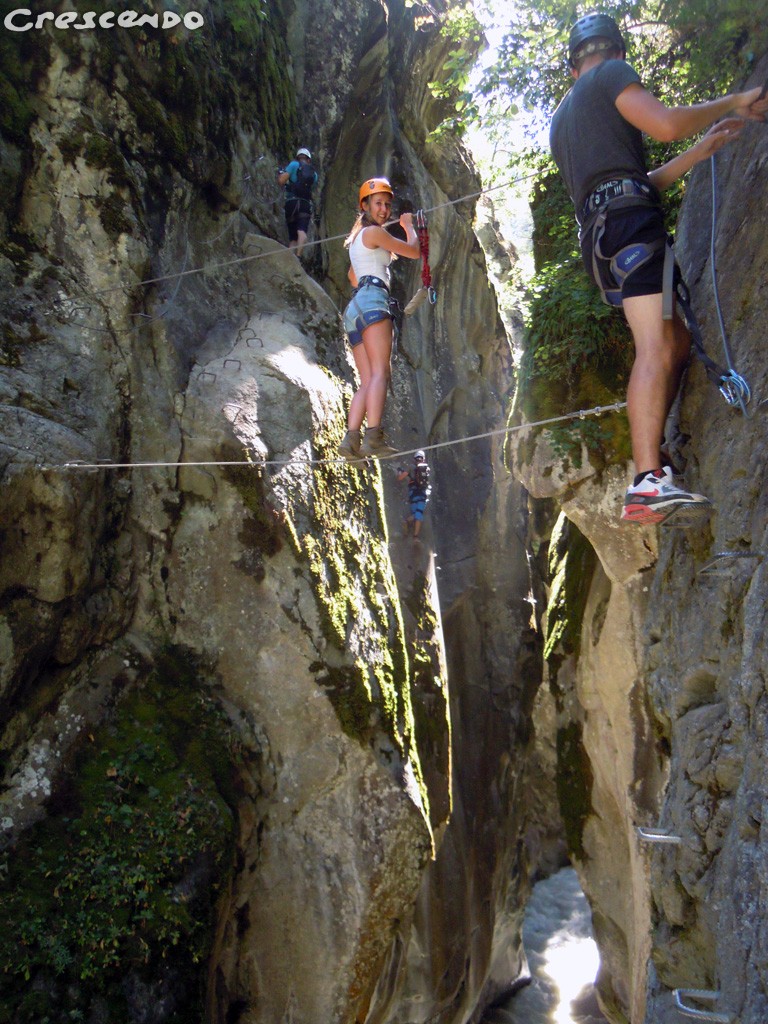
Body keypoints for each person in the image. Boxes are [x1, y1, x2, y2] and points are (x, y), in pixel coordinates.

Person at [549, 11, 768, 526]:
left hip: (602, 240)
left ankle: (655, 460)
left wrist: (702, 150)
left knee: (674, 343)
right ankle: (648, 481)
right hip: (630, 228)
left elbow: (631, 179)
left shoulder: (562, 120)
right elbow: (664, 123)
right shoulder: (610, 78)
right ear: (616, 53)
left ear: (573, 60)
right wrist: (739, 99)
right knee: (654, 344)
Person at [337, 177, 420, 460]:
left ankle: (351, 441)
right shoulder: (373, 233)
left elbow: (352, 277)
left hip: (355, 308)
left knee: (368, 379)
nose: (384, 209)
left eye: (387, 204)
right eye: (378, 204)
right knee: (381, 373)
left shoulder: (357, 241)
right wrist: (408, 227)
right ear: (365, 206)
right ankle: (373, 436)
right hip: (373, 302)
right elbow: (413, 251)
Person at [278, 147, 317, 257]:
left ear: (298, 157)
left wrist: (281, 174)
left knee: (293, 237)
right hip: (305, 204)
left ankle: (289, 260)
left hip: (291, 203)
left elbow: (282, 181)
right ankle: (298, 256)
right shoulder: (314, 175)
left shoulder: (294, 165)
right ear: (308, 159)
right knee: (302, 231)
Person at [397, 451, 432, 537]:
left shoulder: (411, 467)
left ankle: (407, 522)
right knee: (419, 513)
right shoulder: (427, 468)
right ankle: (415, 536)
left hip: (412, 493)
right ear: (423, 459)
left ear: (414, 459)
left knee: (415, 512)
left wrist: (399, 472)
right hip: (422, 493)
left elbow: (400, 478)